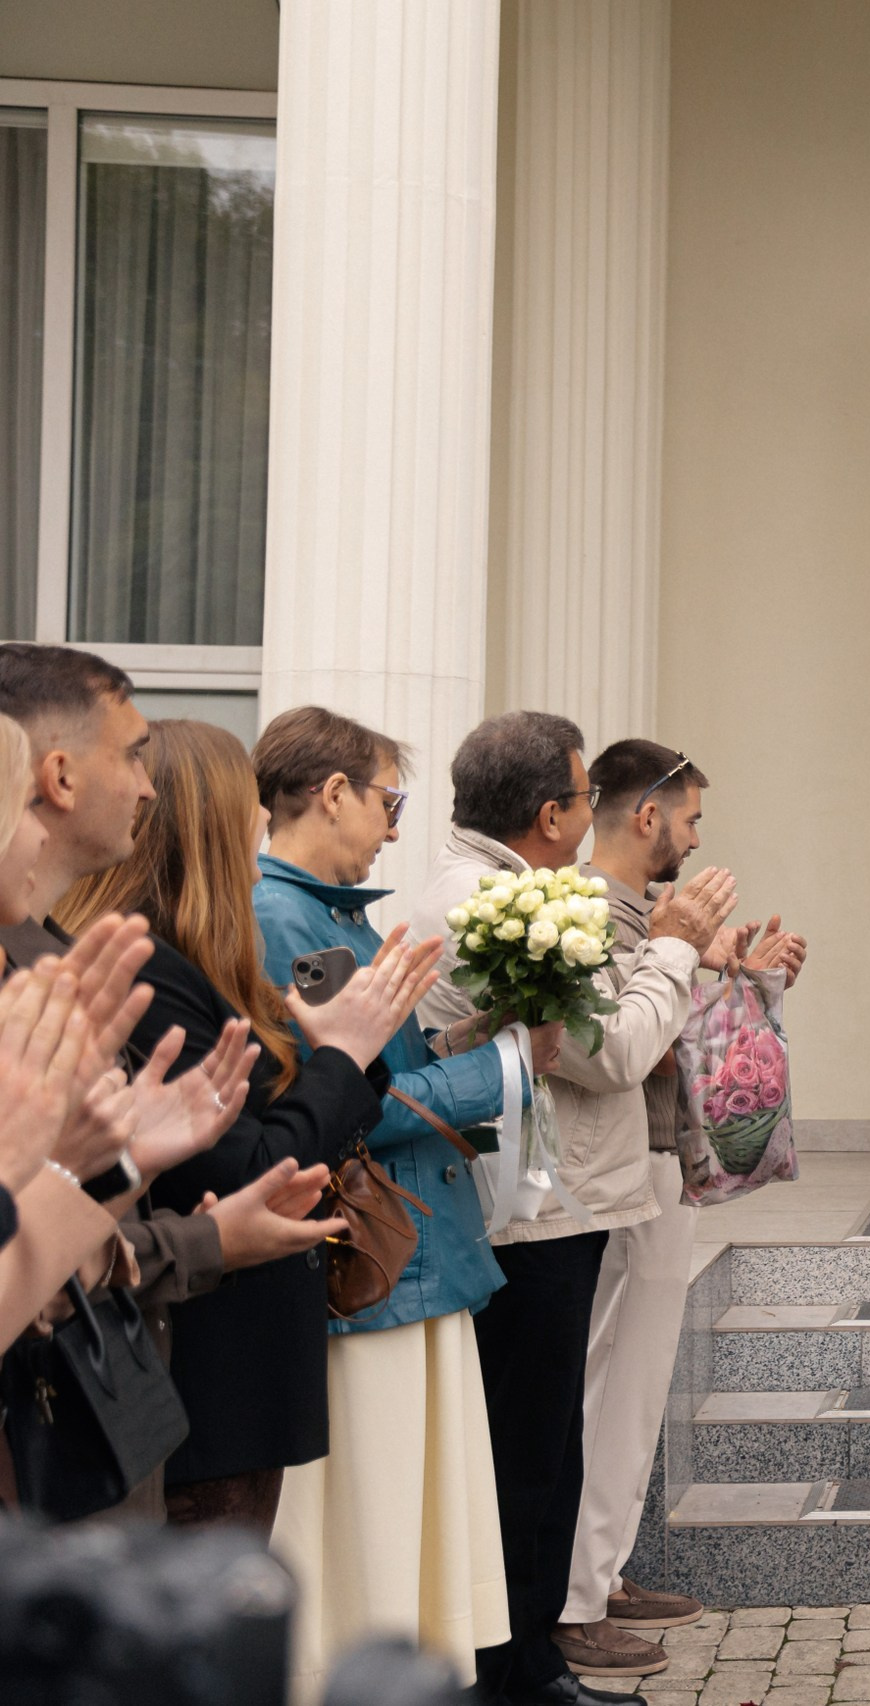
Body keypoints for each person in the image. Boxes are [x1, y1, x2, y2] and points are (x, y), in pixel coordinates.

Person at [409, 711, 734, 1706]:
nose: (595, 817)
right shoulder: (499, 901)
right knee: (528, 1444)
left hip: (557, 1196)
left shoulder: (506, 888)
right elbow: (614, 1053)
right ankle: (521, 1664)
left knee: (544, 1436)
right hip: (537, 1204)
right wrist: (674, 947)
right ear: (553, 812)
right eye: (584, 797)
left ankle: (532, 1655)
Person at [56, 720, 447, 1534]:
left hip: (227, 1363)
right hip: (208, 1369)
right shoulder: (153, 973)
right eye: (248, 814)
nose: (259, 833)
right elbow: (247, 1175)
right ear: (206, 827)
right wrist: (344, 1054)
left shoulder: (190, 959)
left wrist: (347, 1052)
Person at [250, 705, 525, 1691]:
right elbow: (338, 1098)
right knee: (374, 1524)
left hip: (412, 1246)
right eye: (388, 799)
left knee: (409, 1515)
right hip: (376, 1260)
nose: (397, 825)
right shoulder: (281, 914)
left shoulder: (332, 909)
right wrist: (496, 1076)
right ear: (332, 794)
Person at [558, 739, 803, 1678]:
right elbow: (625, 1043)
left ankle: (605, 1570)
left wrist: (748, 977)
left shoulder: (658, 914)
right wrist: (705, 978)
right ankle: (575, 1599)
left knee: (641, 1379)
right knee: (604, 1379)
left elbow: (677, 1024)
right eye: (692, 818)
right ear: (648, 815)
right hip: (620, 1166)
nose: (699, 839)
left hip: (665, 1159)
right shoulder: (586, 909)